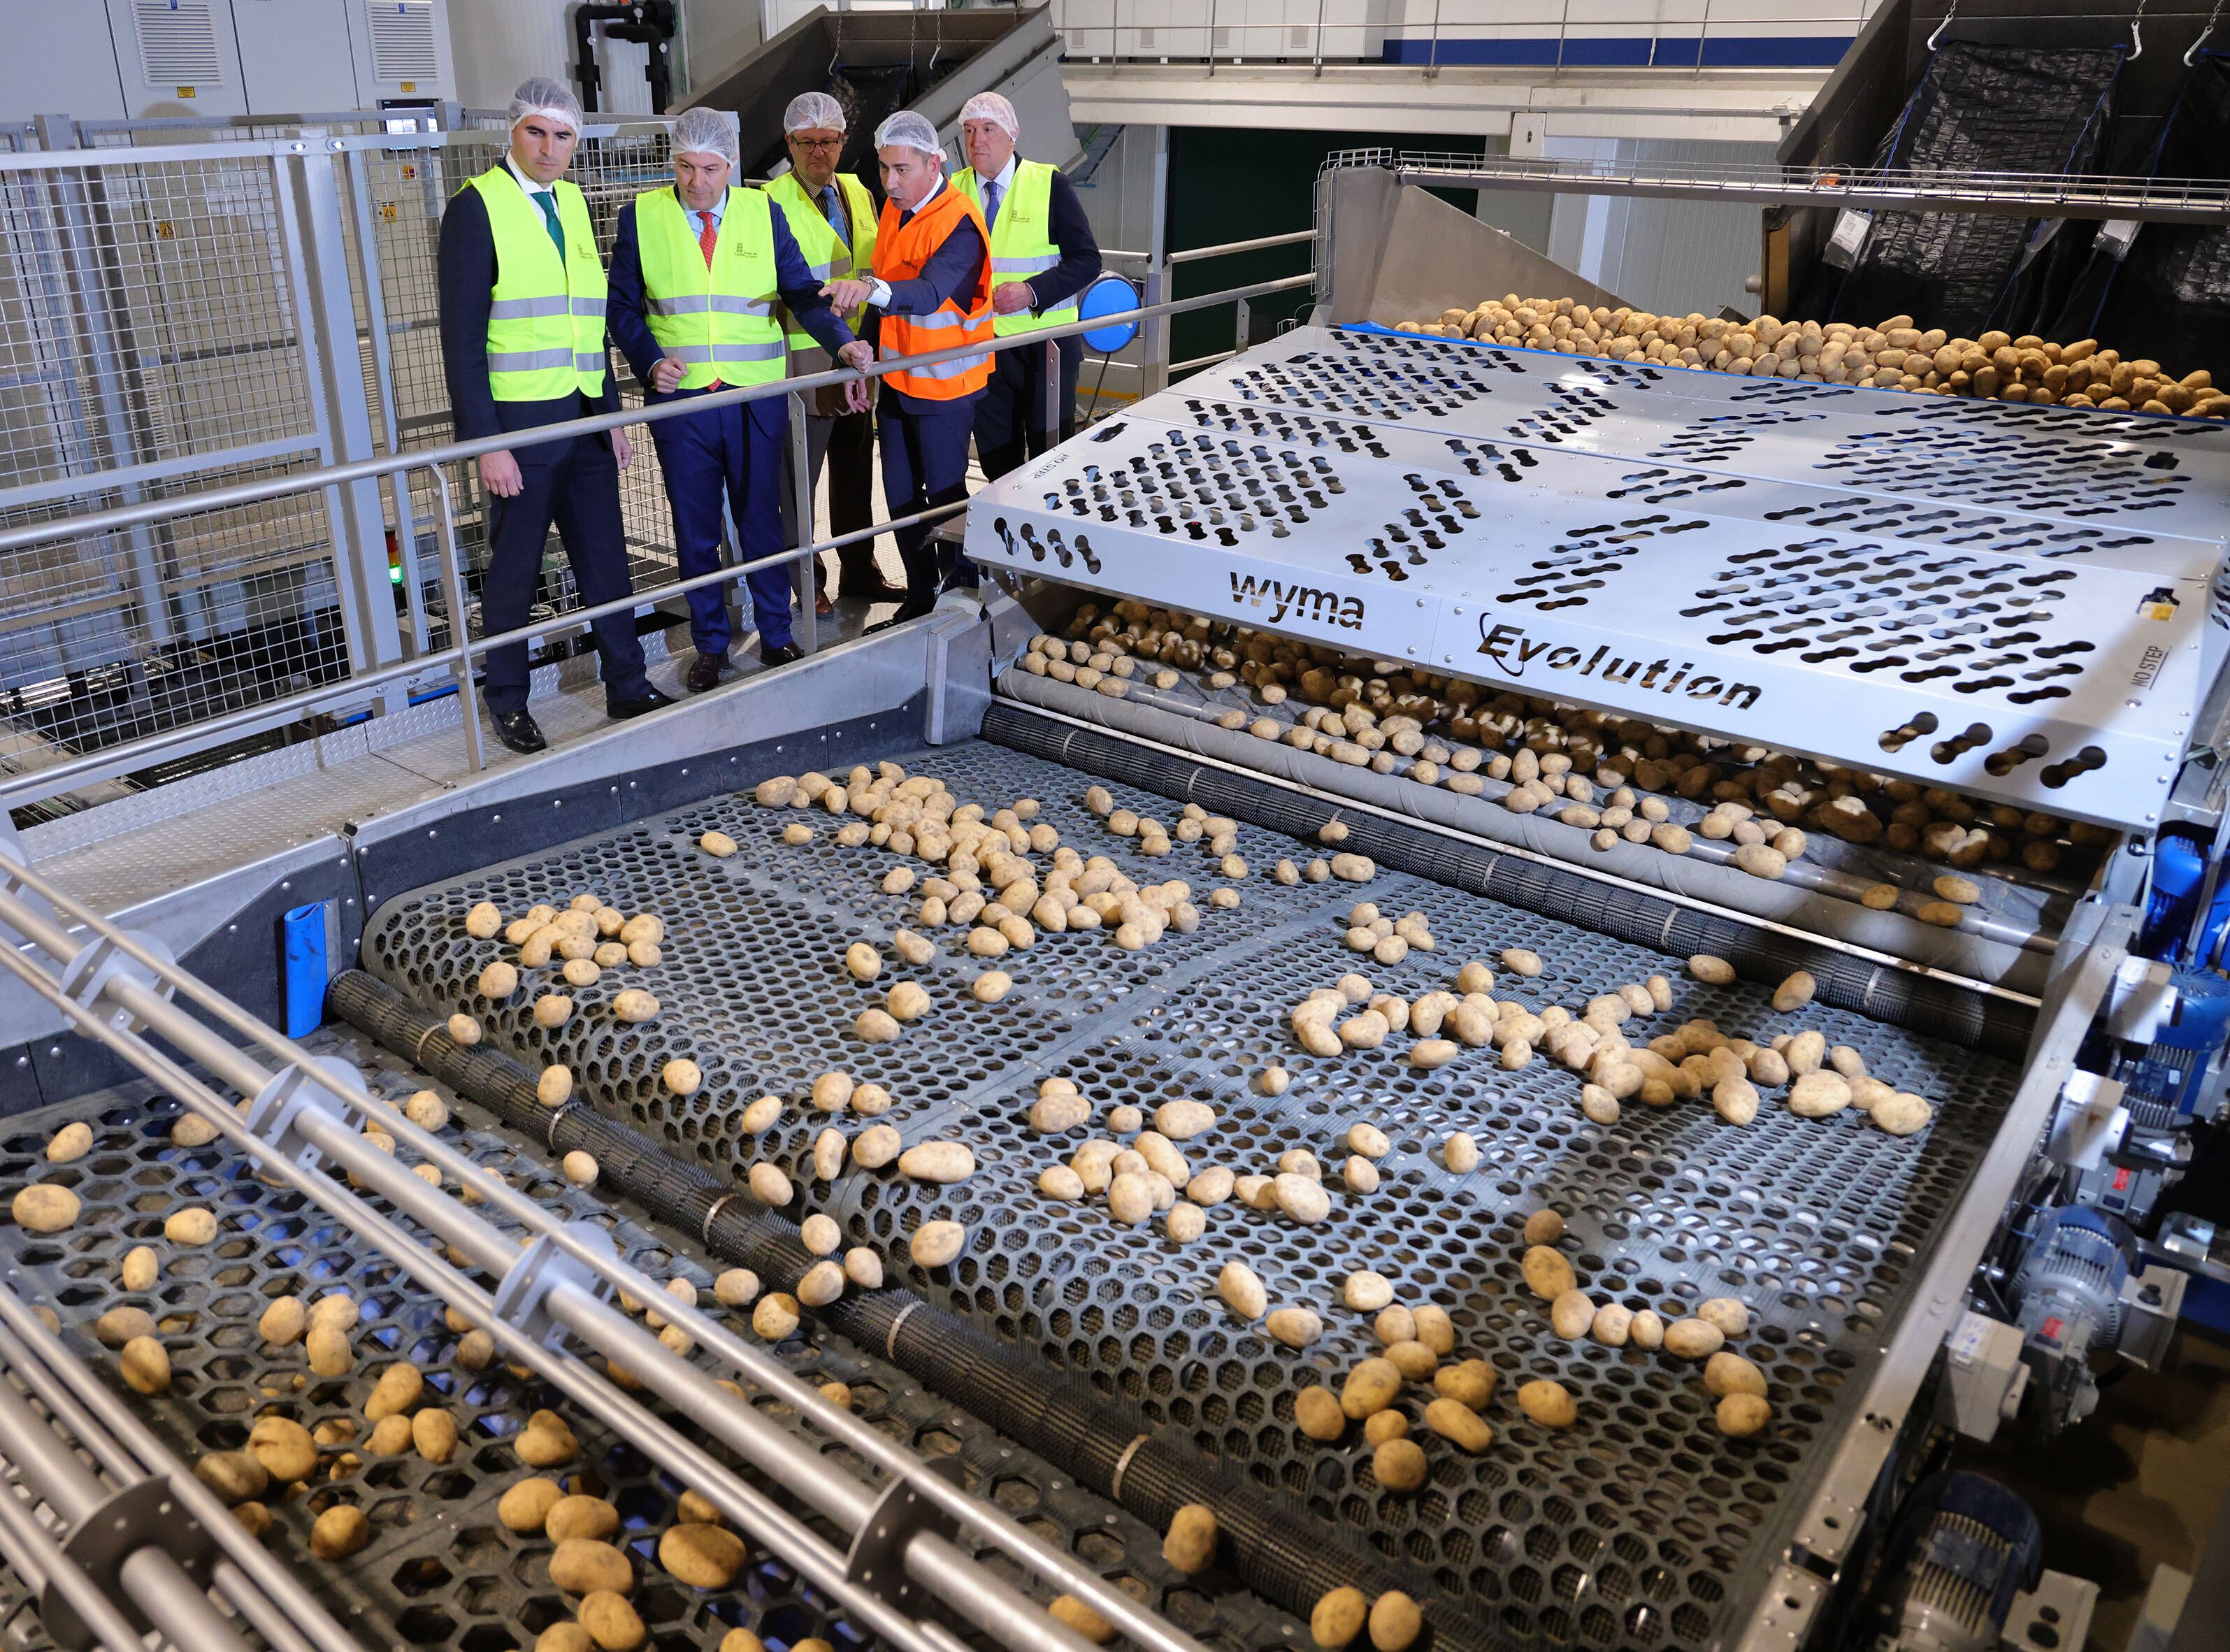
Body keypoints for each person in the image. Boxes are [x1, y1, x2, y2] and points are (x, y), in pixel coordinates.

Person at [438, 77, 670, 754]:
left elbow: (585, 319)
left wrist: (611, 414)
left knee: (607, 560)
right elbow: (462, 340)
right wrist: (488, 443)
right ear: (510, 131)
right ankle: (507, 700)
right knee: (514, 571)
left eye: (563, 136)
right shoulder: (475, 209)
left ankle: (626, 682)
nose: (549, 148)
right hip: (520, 429)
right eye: (536, 132)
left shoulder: (572, 202)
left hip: (582, 418)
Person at [607, 106, 872, 692]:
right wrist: (650, 360)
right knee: (696, 527)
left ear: (730, 165)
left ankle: (776, 633)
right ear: (672, 161)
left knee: (762, 519)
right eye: (684, 167)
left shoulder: (761, 210)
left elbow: (803, 294)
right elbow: (622, 309)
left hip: (755, 396)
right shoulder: (642, 217)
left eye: (710, 169)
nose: (696, 183)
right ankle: (710, 644)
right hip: (684, 407)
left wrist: (845, 344)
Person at [823, 111, 991, 624]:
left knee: (944, 499)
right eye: (883, 169)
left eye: (901, 170)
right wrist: (865, 360)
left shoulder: (959, 220)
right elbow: (888, 292)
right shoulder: (898, 210)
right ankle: (922, 594)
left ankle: (960, 598)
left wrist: (871, 288)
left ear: (933, 162)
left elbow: (928, 292)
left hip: (945, 387)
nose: (889, 183)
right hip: (896, 381)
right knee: (899, 493)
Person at [763, 91, 905, 614]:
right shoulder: (769, 202)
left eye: (829, 141)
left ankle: (859, 567)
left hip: (860, 357)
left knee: (854, 468)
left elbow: (874, 266)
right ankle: (807, 578)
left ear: (844, 142)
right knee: (800, 477)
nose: (819, 152)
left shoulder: (859, 192)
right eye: (808, 143)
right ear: (790, 143)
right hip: (803, 361)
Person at [951, 91, 1101, 480]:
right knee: (997, 463)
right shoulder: (951, 190)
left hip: (1045, 349)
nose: (976, 141)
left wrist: (1032, 291)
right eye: (969, 130)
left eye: (988, 129)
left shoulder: (1049, 183)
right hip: (982, 349)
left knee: (1049, 464)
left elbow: (1087, 260)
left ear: (1012, 135)